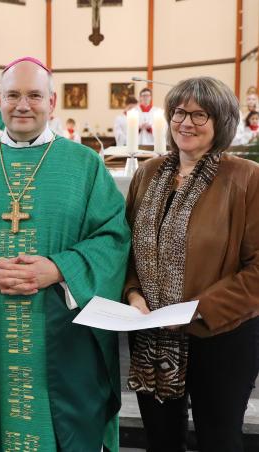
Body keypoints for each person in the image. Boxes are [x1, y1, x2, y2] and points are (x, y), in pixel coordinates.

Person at [0, 57, 131, 452]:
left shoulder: (85, 165)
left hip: (63, 332)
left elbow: (113, 237)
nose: (23, 105)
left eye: (34, 95)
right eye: (13, 95)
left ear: (52, 102)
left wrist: (59, 268)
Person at [125, 76, 259, 452]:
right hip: (152, 335)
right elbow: (129, 248)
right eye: (179, 113)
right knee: (161, 441)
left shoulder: (246, 178)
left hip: (220, 337)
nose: (186, 123)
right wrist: (134, 293)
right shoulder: (147, 174)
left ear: (222, 122)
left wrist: (196, 310)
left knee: (219, 440)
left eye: (200, 115)